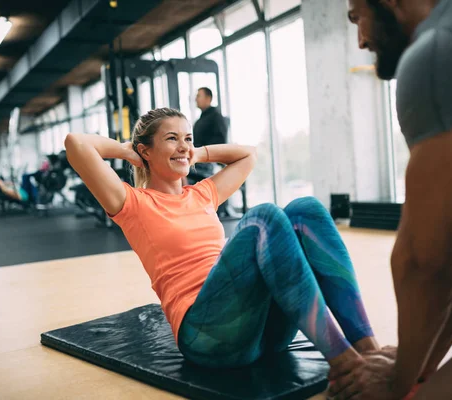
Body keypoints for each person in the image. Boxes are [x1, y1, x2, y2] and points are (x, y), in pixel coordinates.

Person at [65, 107, 381, 372]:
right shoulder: (132, 203)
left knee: (305, 209)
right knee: (264, 218)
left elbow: (249, 156)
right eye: (171, 138)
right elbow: (76, 144)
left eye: (187, 137)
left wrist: (195, 153)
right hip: (206, 336)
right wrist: (126, 151)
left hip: (259, 332)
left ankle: (369, 349)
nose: (182, 145)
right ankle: (346, 364)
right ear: (145, 150)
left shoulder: (203, 194)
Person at [328, 0, 452, 399]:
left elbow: (425, 261)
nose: (361, 40)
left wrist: (398, 385)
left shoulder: (436, 52)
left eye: (357, 17)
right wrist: (414, 368)